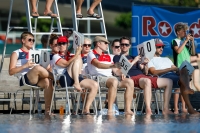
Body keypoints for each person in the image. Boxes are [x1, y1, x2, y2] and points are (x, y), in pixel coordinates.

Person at [113, 36, 173, 115]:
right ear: (120, 45)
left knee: (169, 81)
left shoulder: (133, 56)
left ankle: (165, 109)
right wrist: (134, 61)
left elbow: (145, 72)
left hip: (142, 76)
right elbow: (120, 70)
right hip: (132, 77)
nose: (124, 46)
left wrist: (145, 64)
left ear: (129, 46)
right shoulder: (117, 57)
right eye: (122, 44)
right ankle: (148, 109)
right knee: (147, 81)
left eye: (126, 45)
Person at [148, 38, 198, 114]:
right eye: (159, 47)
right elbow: (154, 72)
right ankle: (189, 104)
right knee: (183, 82)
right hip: (163, 77)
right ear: (153, 48)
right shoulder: (150, 59)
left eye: (162, 47)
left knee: (184, 70)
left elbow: (174, 68)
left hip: (173, 75)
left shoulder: (166, 59)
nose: (161, 48)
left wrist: (180, 70)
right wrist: (169, 69)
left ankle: (189, 105)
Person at [87, 36, 134, 115]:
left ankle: (128, 109)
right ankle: (110, 109)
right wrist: (112, 66)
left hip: (110, 78)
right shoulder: (91, 54)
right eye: (105, 43)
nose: (107, 45)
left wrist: (122, 73)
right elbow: (98, 65)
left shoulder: (107, 56)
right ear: (98, 44)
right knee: (114, 81)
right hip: (98, 78)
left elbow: (116, 71)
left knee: (130, 82)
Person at [50, 35, 98, 114]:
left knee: (94, 85)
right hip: (64, 79)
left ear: (67, 44)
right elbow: (66, 64)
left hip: (75, 76)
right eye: (59, 44)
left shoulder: (71, 55)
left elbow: (80, 67)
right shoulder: (56, 56)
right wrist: (77, 53)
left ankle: (86, 108)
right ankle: (76, 83)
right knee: (78, 58)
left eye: (64, 43)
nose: (61, 45)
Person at [9, 31, 54, 114]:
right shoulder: (16, 53)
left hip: (37, 77)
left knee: (48, 81)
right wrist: (24, 66)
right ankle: (56, 79)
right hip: (24, 79)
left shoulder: (36, 52)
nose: (32, 42)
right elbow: (11, 71)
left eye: (33, 40)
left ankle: (47, 110)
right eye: (29, 40)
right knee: (37, 68)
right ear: (23, 40)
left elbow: (44, 67)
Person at [172, 23, 200, 91]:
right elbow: (178, 51)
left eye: (185, 31)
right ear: (178, 32)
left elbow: (193, 53)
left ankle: (184, 102)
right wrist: (186, 41)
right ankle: (176, 102)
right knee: (179, 87)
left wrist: (192, 42)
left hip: (187, 65)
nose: (185, 33)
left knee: (186, 86)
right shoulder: (174, 41)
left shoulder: (186, 42)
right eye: (183, 31)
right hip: (180, 65)